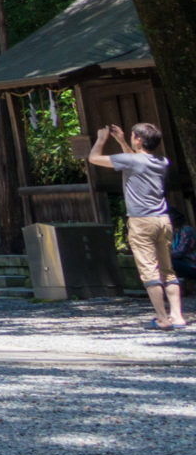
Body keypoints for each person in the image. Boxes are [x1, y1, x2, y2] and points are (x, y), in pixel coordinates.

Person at [87, 122, 186, 330]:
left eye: (133, 136)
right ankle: (177, 316)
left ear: (139, 140)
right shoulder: (162, 161)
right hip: (163, 220)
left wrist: (101, 139)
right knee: (168, 270)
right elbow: (134, 160)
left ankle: (161, 318)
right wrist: (122, 140)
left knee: (149, 271)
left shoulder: (131, 161)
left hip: (141, 222)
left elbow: (94, 158)